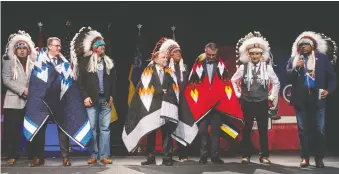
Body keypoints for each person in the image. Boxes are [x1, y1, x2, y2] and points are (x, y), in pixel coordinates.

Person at [122, 37, 198, 166]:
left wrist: (167, 93)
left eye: (166, 58)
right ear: (155, 59)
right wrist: (158, 91)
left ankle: (167, 157)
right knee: (151, 132)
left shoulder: (170, 72)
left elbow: (175, 88)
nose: (165, 59)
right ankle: (150, 157)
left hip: (166, 107)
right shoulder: (148, 71)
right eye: (163, 57)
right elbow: (144, 88)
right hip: (152, 107)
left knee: (166, 132)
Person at [24, 37, 92, 167]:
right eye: (56, 46)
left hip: (60, 101)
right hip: (42, 102)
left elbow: (70, 83)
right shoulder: (38, 61)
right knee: (39, 130)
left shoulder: (65, 63)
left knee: (63, 128)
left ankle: (65, 157)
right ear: (49, 46)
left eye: (60, 46)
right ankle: (39, 157)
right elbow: (35, 81)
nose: (59, 48)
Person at [184, 42, 244, 164]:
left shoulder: (221, 66)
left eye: (213, 55)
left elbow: (226, 85)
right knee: (203, 131)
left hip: (217, 106)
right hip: (203, 106)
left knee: (216, 131)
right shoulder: (198, 66)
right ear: (205, 52)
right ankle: (203, 155)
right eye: (209, 55)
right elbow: (193, 85)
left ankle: (215, 156)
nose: (211, 57)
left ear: (217, 53)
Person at [286, 31, 337, 168]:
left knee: (319, 129)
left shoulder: (323, 59)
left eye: (306, 44)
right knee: (303, 130)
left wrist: (329, 90)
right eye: (301, 45)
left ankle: (319, 158)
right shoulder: (294, 59)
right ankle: (304, 157)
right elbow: (287, 77)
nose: (303, 47)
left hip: (318, 98)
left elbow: (332, 78)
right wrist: (296, 67)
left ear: (312, 46)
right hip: (301, 99)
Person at [231, 31, 280, 165]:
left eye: (257, 53)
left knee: (262, 129)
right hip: (247, 101)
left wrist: (272, 96)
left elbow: (276, 82)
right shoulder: (243, 67)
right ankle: (246, 155)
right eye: (252, 53)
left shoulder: (267, 68)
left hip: (262, 102)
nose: (254, 56)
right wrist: (238, 93)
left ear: (261, 55)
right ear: (249, 54)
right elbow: (233, 80)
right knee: (246, 129)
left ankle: (264, 155)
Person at [71, 27, 116, 165]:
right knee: (92, 129)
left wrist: (112, 96)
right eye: (100, 46)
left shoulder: (109, 63)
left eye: (103, 45)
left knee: (105, 129)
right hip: (91, 100)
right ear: (95, 48)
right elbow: (80, 83)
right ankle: (93, 154)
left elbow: (114, 81)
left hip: (105, 100)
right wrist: (85, 97)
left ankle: (104, 155)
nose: (103, 47)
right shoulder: (85, 63)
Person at [2, 30, 37, 165]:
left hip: (30, 102)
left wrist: (31, 92)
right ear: (15, 50)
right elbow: (6, 80)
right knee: (12, 130)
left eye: (24, 48)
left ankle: (32, 155)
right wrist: (23, 90)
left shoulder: (33, 62)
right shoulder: (8, 61)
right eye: (19, 48)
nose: (22, 51)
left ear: (28, 50)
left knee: (30, 129)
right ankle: (12, 155)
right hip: (13, 101)